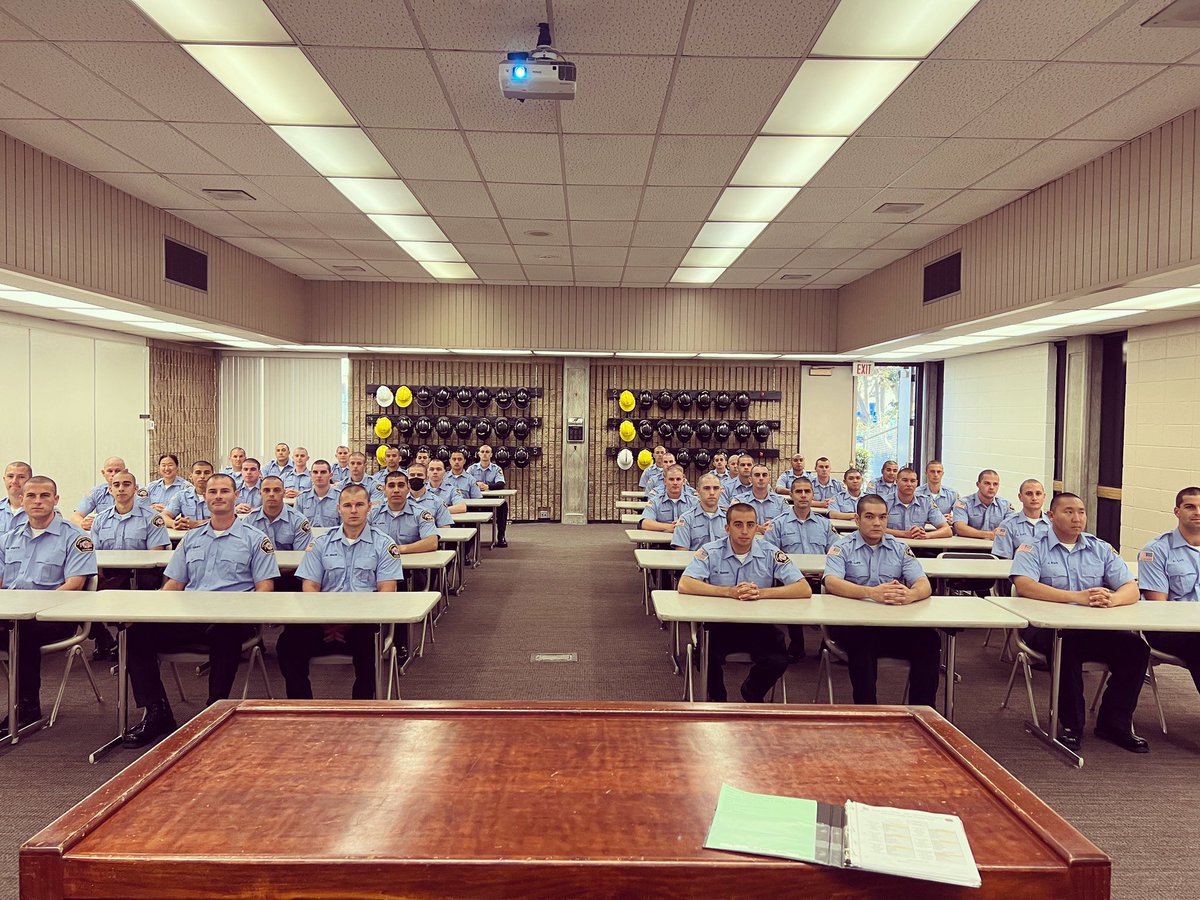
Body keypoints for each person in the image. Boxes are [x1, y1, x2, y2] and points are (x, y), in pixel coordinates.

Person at [122, 473, 279, 748]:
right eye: (212, 491)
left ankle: (213, 713)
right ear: (204, 498)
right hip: (190, 617)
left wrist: (245, 614)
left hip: (232, 619)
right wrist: (149, 609)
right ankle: (157, 712)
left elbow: (265, 588)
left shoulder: (255, 539)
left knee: (225, 635)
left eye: (224, 491)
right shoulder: (191, 539)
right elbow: (175, 584)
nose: (218, 496)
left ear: (236, 496)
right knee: (138, 635)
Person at [1012, 492, 1147, 752]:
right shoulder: (1032, 546)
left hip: (1093, 626)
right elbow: (1024, 585)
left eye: (1081, 512)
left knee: (1136, 649)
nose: (1077, 518)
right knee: (1067, 645)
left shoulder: (1099, 547)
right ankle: (1071, 725)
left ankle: (1113, 723)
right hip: (1046, 628)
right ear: (1051, 516)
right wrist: (1076, 597)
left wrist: (1113, 600)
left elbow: (1131, 587)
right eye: (1069, 512)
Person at [281, 484, 404, 699]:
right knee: (287, 644)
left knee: (368, 649)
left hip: (363, 624)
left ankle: (360, 710)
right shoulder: (320, 543)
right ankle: (302, 707)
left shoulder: (384, 545)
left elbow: (387, 593)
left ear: (369, 508)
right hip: (322, 622)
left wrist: (348, 621)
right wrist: (328, 620)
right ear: (339, 509)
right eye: (348, 505)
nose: (353, 510)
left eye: (359, 505)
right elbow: (310, 588)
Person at [678, 503, 809, 702]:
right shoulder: (710, 551)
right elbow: (685, 584)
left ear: (757, 527)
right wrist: (728, 592)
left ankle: (752, 691)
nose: (745, 531)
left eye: (750, 525)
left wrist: (762, 593)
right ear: (727, 527)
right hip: (719, 624)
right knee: (706, 655)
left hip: (758, 624)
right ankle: (717, 699)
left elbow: (803, 588)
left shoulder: (770, 552)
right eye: (738, 525)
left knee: (778, 659)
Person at [0, 476, 97, 738]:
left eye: (45, 496)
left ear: (56, 500)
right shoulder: (9, 538)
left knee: (21, 634)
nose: (38, 501)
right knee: (14, 629)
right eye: (31, 496)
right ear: (21, 500)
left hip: (56, 616)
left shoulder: (76, 538)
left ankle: (27, 707)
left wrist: (33, 609)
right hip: (12, 614)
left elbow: (75, 585)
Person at [822, 494, 940, 707]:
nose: (877, 523)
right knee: (862, 642)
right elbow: (831, 582)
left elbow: (924, 584)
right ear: (857, 520)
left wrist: (910, 594)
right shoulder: (842, 547)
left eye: (882, 517)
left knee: (929, 640)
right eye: (870, 517)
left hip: (892, 624)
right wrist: (871, 593)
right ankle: (868, 713)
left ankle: (922, 712)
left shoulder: (899, 548)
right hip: (855, 625)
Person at [767, 477, 836, 662]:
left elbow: (837, 553)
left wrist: (824, 572)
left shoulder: (825, 524)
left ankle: (827, 643)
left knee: (838, 594)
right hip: (791, 579)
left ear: (813, 495)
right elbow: (770, 554)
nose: (803, 496)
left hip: (820, 578)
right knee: (792, 594)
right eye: (798, 492)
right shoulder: (778, 524)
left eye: (807, 491)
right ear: (791, 495)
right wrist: (794, 574)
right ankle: (797, 644)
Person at [1139, 486, 1200, 697]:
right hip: (1171, 630)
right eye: (1190, 507)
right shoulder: (1155, 550)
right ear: (1177, 511)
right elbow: (1159, 610)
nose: (1197, 512)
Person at [91, 470, 170, 591]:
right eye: (116, 485)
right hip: (109, 580)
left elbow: (156, 557)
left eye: (126, 484)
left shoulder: (152, 518)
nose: (121, 488)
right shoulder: (100, 520)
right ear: (110, 489)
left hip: (141, 578)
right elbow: (94, 555)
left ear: (135, 489)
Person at [368, 470, 439, 553]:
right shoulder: (373, 513)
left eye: (401, 486)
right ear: (384, 489)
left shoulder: (420, 514)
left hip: (413, 563)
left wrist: (399, 549)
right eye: (391, 486)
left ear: (408, 488)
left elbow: (432, 542)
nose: (396, 490)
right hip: (380, 563)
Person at [245, 476, 312, 551]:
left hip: (290, 562)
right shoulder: (249, 521)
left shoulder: (298, 521)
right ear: (260, 493)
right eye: (266, 490)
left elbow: (301, 556)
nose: (271, 494)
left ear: (283, 493)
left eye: (276, 490)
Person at [885, 467, 952, 540]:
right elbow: (875, 529)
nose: (909, 484)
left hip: (918, 548)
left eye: (912, 481)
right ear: (896, 482)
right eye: (905, 480)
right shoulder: (885, 502)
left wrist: (926, 535)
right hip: (891, 547)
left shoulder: (926, 502)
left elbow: (947, 530)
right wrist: (905, 534)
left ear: (916, 483)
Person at [72, 456, 136, 530]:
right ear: (103, 473)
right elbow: (75, 517)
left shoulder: (138, 491)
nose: (113, 474)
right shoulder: (96, 492)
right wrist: (83, 524)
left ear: (125, 471)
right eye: (110, 471)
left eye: (117, 471)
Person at [992, 479, 1051, 559]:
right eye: (1029, 494)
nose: (1034, 498)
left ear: (1044, 497)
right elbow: (1003, 560)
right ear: (1020, 497)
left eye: (1038, 494)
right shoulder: (1007, 525)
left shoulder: (1054, 524)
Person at [672, 474, 727, 551]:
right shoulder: (686, 519)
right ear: (698, 491)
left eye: (716, 488)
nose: (712, 492)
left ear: (720, 491)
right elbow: (681, 554)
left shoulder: (729, 518)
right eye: (706, 488)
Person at [467, 444, 508, 547]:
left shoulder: (496, 468)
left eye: (487, 452)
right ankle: (470, 539)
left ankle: (501, 536)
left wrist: (487, 486)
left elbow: (501, 483)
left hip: (492, 501)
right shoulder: (471, 468)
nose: (484, 454)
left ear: (491, 455)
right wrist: (476, 485)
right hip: (475, 501)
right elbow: (465, 482)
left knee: (503, 506)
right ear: (478, 454)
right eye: (482, 452)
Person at [952, 469, 1011, 538]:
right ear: (978, 484)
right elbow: (960, 528)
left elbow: (1013, 527)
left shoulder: (1005, 505)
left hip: (995, 547)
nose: (992, 487)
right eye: (987, 483)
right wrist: (989, 534)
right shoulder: (963, 503)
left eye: (995, 484)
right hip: (969, 547)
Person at [639, 465, 696, 533]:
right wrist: (669, 527)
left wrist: (683, 525)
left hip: (688, 542)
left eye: (678, 479)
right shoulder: (655, 502)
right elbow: (644, 523)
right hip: (660, 542)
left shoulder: (694, 502)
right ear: (665, 481)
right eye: (671, 479)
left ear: (683, 481)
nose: (675, 483)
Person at [163, 460, 214, 531]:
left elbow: (226, 520)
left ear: (213, 476)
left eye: (206, 473)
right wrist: (174, 523)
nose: (202, 476)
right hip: (187, 538)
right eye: (198, 473)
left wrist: (195, 524)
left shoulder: (220, 496)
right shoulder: (182, 496)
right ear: (190, 476)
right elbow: (164, 515)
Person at [737, 463, 789, 530]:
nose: (761, 478)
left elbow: (788, 522)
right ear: (750, 479)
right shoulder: (740, 501)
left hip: (773, 538)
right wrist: (757, 528)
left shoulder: (780, 501)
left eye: (764, 475)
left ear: (769, 479)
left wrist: (774, 525)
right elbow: (733, 522)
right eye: (757, 475)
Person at [295, 459, 342, 527]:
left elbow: (344, 527)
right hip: (307, 537)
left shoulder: (341, 498)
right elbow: (296, 525)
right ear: (311, 475)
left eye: (323, 472)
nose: (319, 475)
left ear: (330, 475)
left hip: (332, 537)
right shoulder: (301, 498)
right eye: (315, 472)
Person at [406, 462, 454, 527]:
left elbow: (445, 528)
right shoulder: (399, 501)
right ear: (407, 478)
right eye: (412, 475)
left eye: (419, 475)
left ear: (426, 478)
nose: (416, 477)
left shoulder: (438, 502)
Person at [1, 461, 32, 534]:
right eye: (10, 476)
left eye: (21, 477)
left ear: (30, 481)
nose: (14, 481)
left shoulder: (42, 511)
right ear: (4, 479)